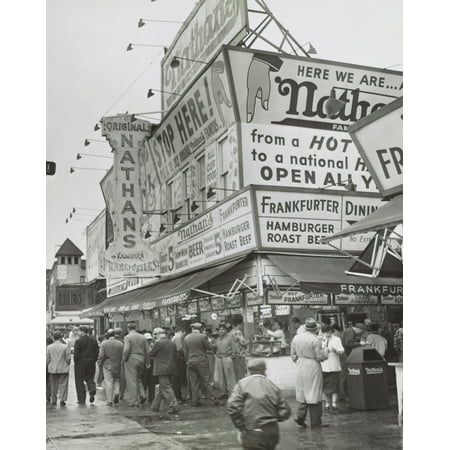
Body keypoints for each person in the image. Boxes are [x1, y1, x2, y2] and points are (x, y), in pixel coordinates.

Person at [227, 358, 291, 450]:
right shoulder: (272, 386)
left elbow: (233, 407)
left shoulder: (242, 385)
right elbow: (285, 411)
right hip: (272, 431)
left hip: (251, 430)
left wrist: (240, 426)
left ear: (249, 370)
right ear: (264, 370)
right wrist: (273, 419)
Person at [291, 318, 329, 428]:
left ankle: (300, 416)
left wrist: (298, 361)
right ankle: (316, 421)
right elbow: (319, 357)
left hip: (300, 364)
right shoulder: (315, 339)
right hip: (312, 365)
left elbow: (293, 355)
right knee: (315, 392)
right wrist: (326, 352)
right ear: (315, 329)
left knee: (303, 392)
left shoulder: (296, 338)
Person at [183, 322, 219, 406]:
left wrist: (187, 361)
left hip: (191, 361)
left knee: (194, 382)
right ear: (200, 329)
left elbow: (185, 351)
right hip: (201, 361)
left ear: (192, 329)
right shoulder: (203, 337)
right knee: (207, 380)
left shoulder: (186, 338)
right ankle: (213, 399)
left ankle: (195, 400)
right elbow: (209, 347)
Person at [148, 327, 178, 414]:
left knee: (166, 387)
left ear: (158, 334)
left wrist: (150, 347)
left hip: (161, 369)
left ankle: (174, 405)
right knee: (163, 387)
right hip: (170, 368)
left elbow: (151, 354)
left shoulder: (158, 343)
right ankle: (155, 406)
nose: (154, 336)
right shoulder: (171, 343)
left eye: (154, 334)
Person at [320, 325, 345, 413]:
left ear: (332, 331)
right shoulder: (321, 340)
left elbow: (341, 351)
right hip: (324, 366)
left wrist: (335, 350)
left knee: (334, 385)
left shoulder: (337, 339)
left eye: (329, 332)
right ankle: (327, 403)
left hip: (334, 365)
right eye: (326, 332)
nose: (328, 334)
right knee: (325, 385)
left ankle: (334, 403)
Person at [122, 322, 147, 407]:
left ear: (128, 328)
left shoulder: (127, 337)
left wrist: (124, 358)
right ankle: (142, 394)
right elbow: (147, 350)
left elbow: (126, 350)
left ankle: (134, 401)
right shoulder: (143, 337)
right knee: (138, 378)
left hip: (131, 359)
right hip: (142, 358)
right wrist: (147, 361)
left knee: (131, 380)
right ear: (135, 328)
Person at [98, 328, 124, 406]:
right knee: (117, 380)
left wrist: (99, 361)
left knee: (109, 382)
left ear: (107, 335)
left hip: (107, 365)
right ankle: (116, 393)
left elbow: (101, 355)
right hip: (118, 364)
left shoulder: (104, 343)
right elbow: (123, 354)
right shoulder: (120, 343)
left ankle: (109, 400)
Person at [74, 326, 99, 404]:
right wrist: (94, 360)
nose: (78, 333)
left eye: (79, 331)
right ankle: (92, 389)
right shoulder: (93, 341)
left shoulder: (78, 341)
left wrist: (76, 361)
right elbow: (96, 352)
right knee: (90, 378)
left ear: (82, 332)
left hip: (81, 363)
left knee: (79, 381)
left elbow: (76, 354)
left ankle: (81, 399)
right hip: (91, 362)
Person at [47, 331, 71, 406]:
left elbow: (48, 358)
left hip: (52, 368)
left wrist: (48, 365)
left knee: (53, 385)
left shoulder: (49, 347)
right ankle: (62, 400)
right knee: (63, 384)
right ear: (60, 337)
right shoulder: (65, 346)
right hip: (63, 367)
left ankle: (54, 399)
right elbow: (68, 357)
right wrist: (68, 363)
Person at [215, 323, 238, 400]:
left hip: (227, 358)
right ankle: (223, 393)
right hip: (219, 358)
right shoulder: (218, 339)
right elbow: (216, 348)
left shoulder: (230, 338)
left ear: (226, 330)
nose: (221, 331)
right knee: (221, 377)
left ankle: (232, 393)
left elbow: (234, 349)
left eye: (223, 329)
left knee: (230, 377)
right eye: (220, 329)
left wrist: (231, 357)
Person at [229, 316, 248, 381]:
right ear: (239, 324)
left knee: (236, 372)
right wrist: (247, 342)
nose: (242, 326)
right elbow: (243, 342)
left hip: (234, 354)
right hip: (240, 354)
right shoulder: (238, 332)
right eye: (241, 324)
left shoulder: (231, 332)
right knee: (241, 372)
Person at [171, 327, 187, 403]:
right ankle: (177, 397)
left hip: (177, 360)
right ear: (181, 331)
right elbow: (179, 349)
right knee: (177, 379)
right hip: (178, 361)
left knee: (177, 380)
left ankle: (178, 396)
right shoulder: (178, 337)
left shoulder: (175, 337)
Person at [143, 332, 157, 404]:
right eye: (147, 339)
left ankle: (151, 398)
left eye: (150, 339)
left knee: (152, 382)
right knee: (144, 382)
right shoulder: (142, 346)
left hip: (152, 363)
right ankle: (143, 397)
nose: (149, 341)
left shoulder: (153, 345)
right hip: (145, 364)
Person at [46, 335, 54, 402]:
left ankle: (47, 394)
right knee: (49, 381)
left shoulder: (48, 347)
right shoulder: (52, 347)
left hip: (46, 365)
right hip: (50, 366)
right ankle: (49, 395)